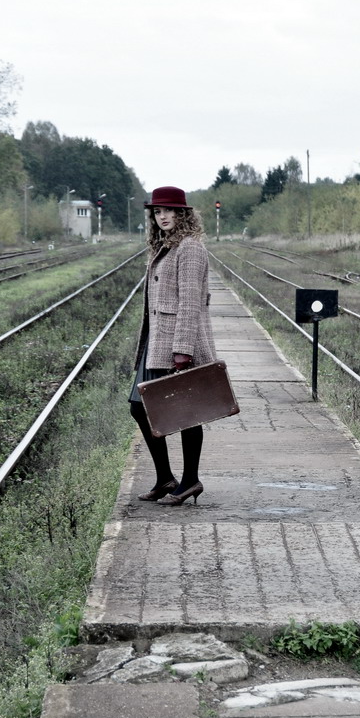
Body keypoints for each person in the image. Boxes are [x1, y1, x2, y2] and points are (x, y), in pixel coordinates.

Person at [129, 186, 216, 506]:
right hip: (158, 340)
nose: (162, 216)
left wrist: (183, 349)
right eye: (157, 212)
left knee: (185, 412)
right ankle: (165, 477)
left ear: (183, 214)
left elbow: (191, 302)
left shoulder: (190, 248)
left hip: (178, 341)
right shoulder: (165, 246)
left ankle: (190, 480)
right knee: (140, 406)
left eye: (168, 211)